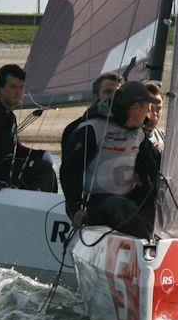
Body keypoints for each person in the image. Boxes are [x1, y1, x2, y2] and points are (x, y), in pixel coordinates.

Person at [60, 81, 159, 238]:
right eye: (147, 108)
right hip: (95, 202)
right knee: (124, 208)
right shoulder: (94, 128)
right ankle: (145, 248)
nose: (148, 114)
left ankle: (155, 243)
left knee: (157, 202)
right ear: (135, 108)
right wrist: (74, 209)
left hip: (127, 198)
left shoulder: (139, 133)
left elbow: (149, 168)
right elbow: (70, 171)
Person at [0, 64, 57, 191]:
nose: (18, 92)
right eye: (13, 87)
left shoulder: (9, 115)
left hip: (3, 168)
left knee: (46, 167)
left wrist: (41, 154)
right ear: (0, 88)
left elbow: (15, 148)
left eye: (21, 88)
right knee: (43, 169)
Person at [59, 72, 123, 154]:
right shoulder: (78, 128)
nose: (113, 96)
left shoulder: (132, 126)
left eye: (117, 92)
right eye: (108, 91)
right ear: (95, 96)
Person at [135, 81, 166, 189]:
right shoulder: (131, 136)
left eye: (158, 109)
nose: (155, 113)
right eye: (151, 108)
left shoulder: (164, 136)